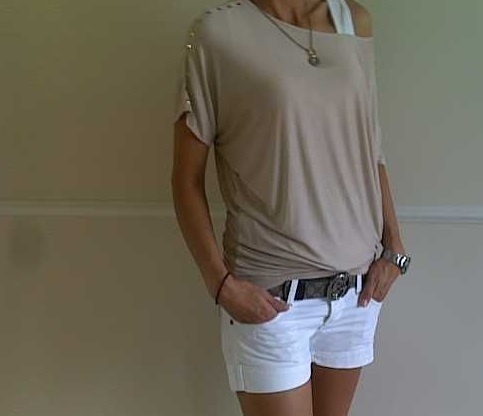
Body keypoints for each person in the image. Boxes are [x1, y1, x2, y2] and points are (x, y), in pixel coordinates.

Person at [171, 0, 411, 415]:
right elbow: (186, 179)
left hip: (355, 296)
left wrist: (395, 248)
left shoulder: (352, 20)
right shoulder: (219, 33)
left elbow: (370, 149)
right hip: (271, 298)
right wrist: (220, 284)